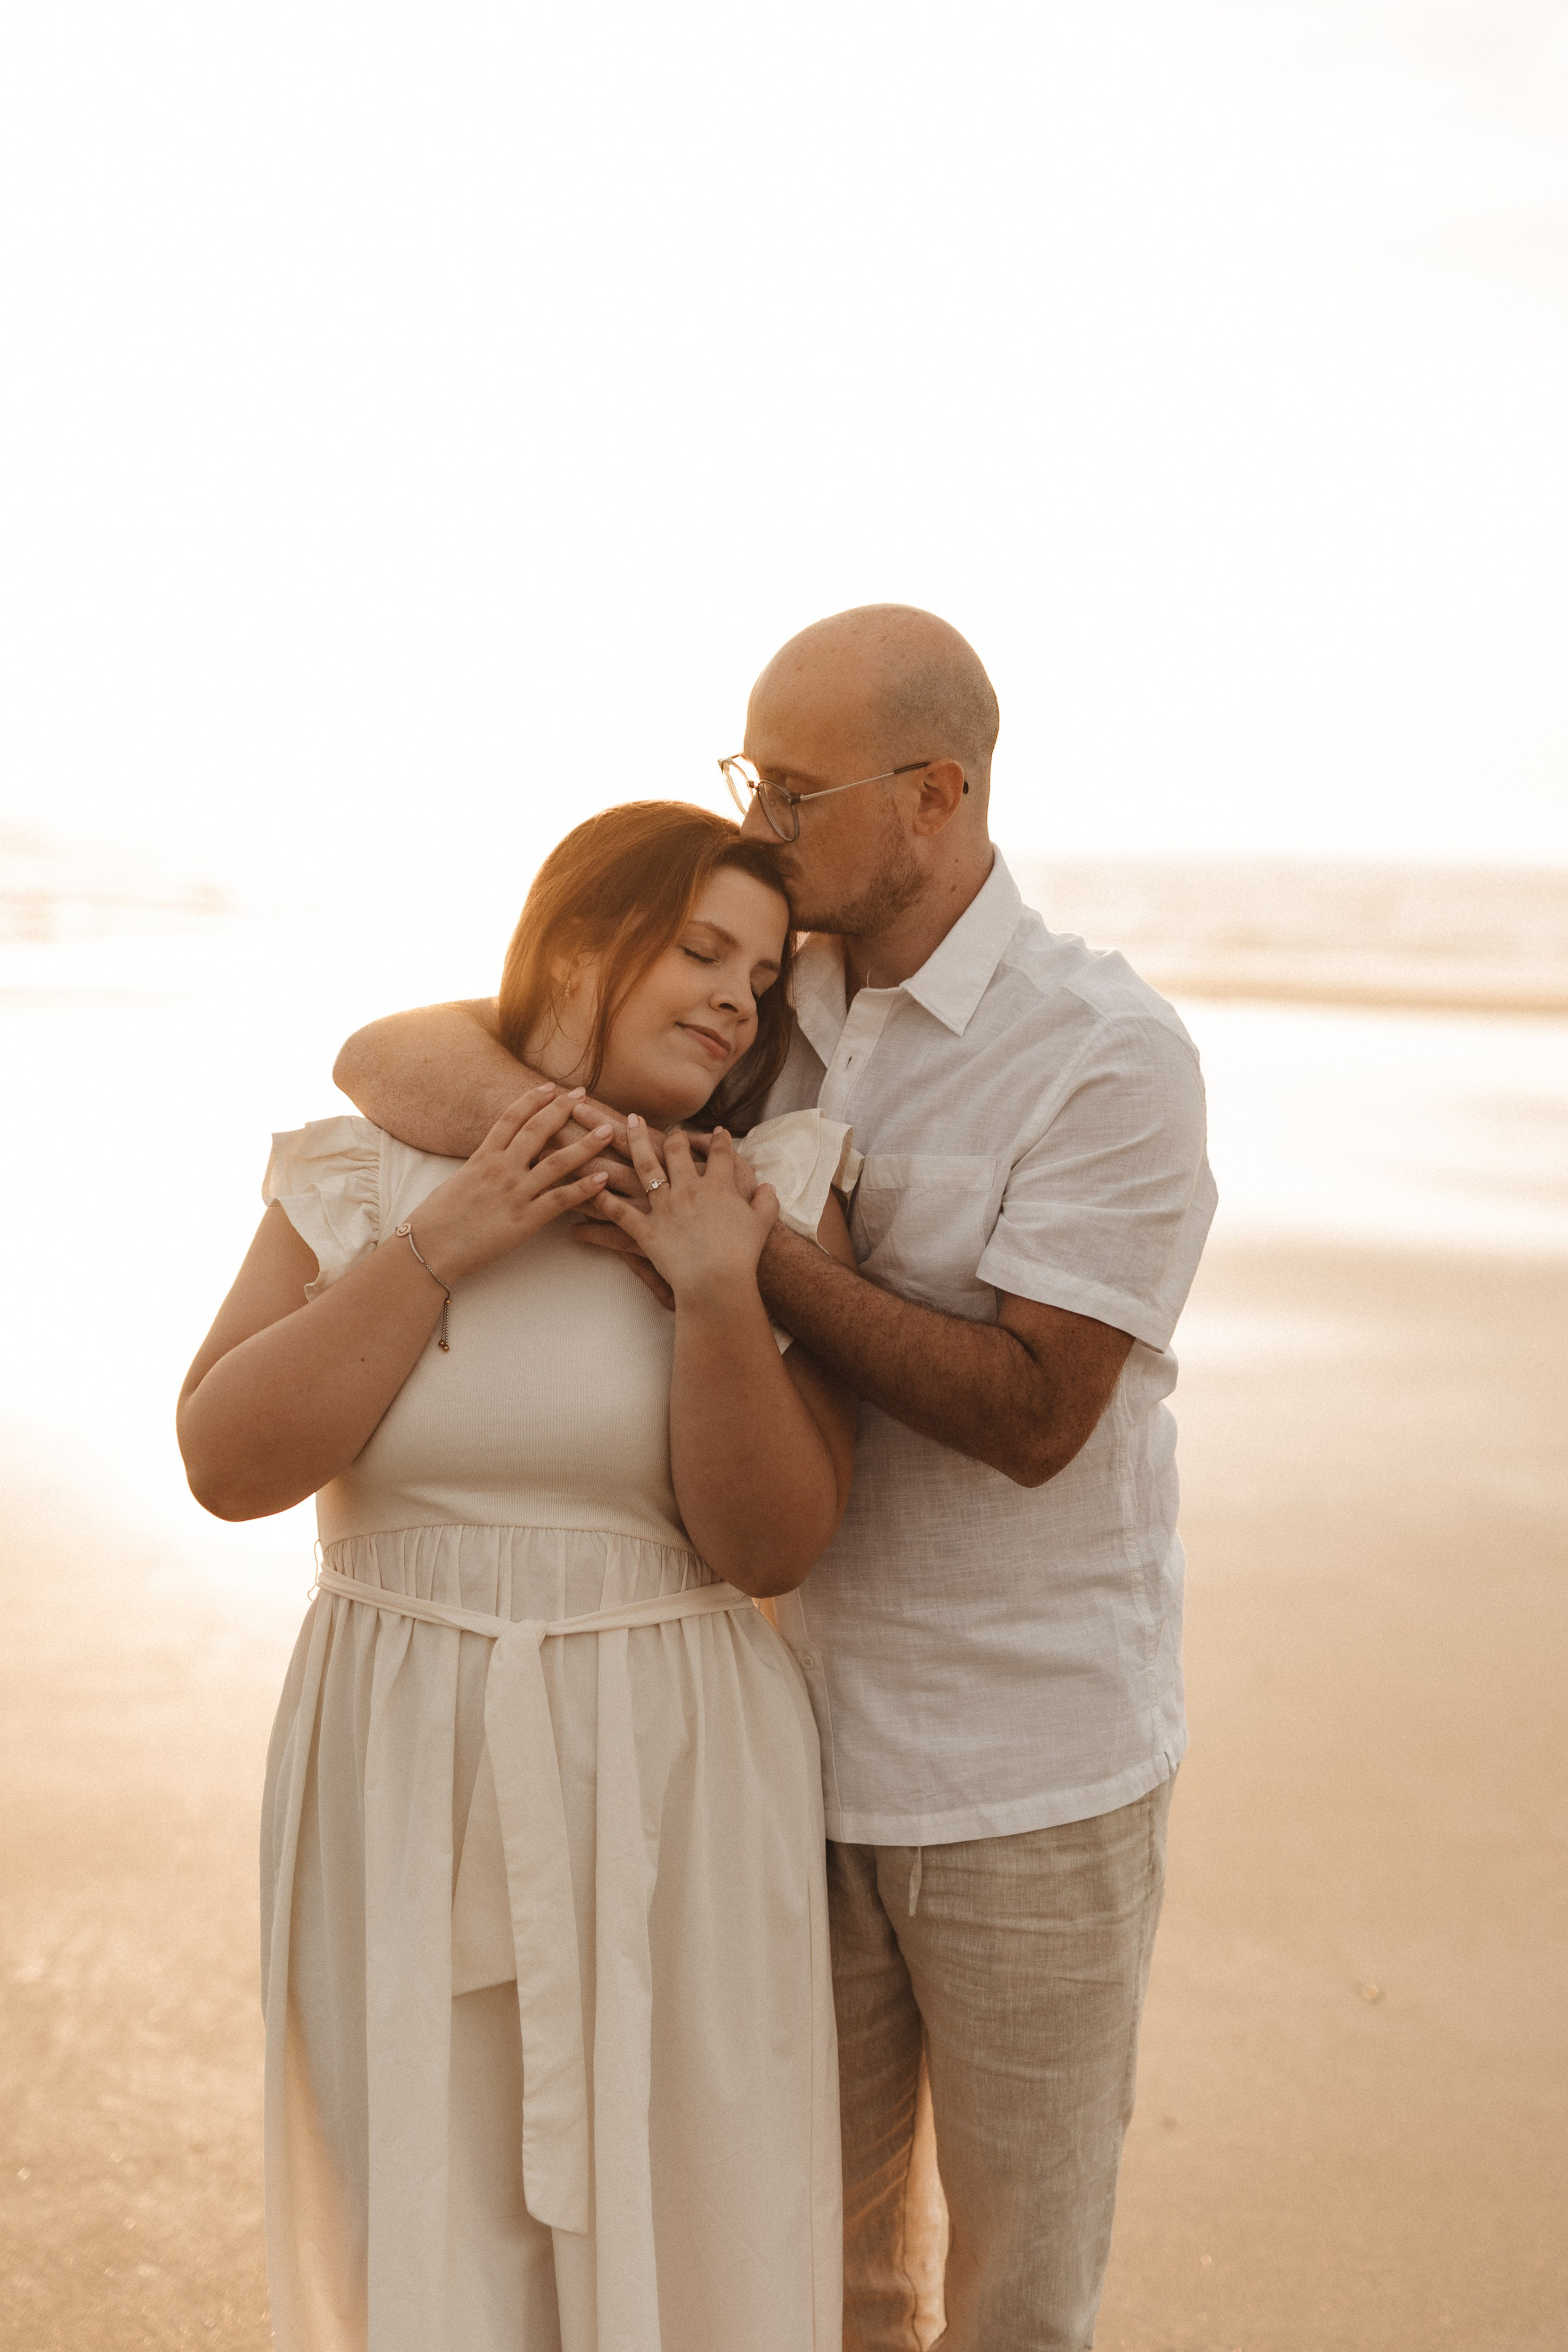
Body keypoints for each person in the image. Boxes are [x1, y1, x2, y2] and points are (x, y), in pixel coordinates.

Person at [336, 605, 1219, 2352]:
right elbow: (390, 1056)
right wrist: (611, 1146)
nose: (756, 817)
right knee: (800, 2275)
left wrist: (734, 1247)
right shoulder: (766, 988)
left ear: (936, 795)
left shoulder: (1108, 1052)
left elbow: (1040, 1412)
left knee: (1019, 2296)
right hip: (764, 1747)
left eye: (792, 787)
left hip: (1026, 1766)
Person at [177, 802, 862, 2352]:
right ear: (571, 943)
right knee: (421, 2228)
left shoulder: (762, 1185)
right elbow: (226, 1464)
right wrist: (448, 1240)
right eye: (699, 949)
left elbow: (770, 1544)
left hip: (671, 1771)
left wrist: (709, 1291)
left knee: (692, 2230)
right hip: (397, 1765)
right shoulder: (361, 1173)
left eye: (758, 977)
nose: (732, 999)